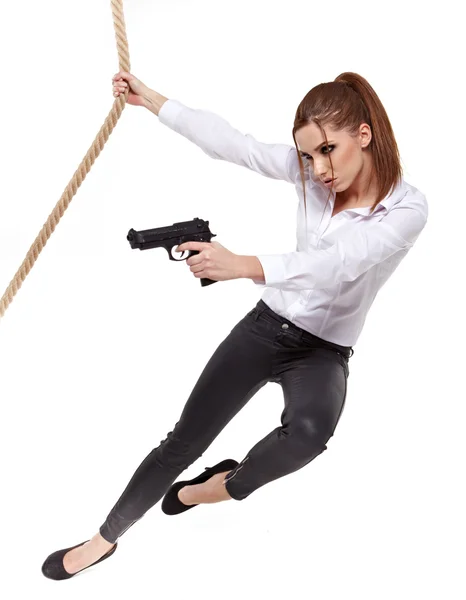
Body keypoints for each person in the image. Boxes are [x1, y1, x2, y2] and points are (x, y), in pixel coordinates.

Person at [41, 70, 428, 580]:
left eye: (328, 150)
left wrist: (240, 264)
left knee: (310, 433)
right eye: (308, 156)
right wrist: (152, 100)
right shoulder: (309, 172)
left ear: (364, 133)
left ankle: (211, 489)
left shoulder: (406, 208)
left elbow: (340, 264)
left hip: (324, 350)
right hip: (268, 327)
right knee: (182, 442)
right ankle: (103, 539)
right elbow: (233, 145)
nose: (319, 169)